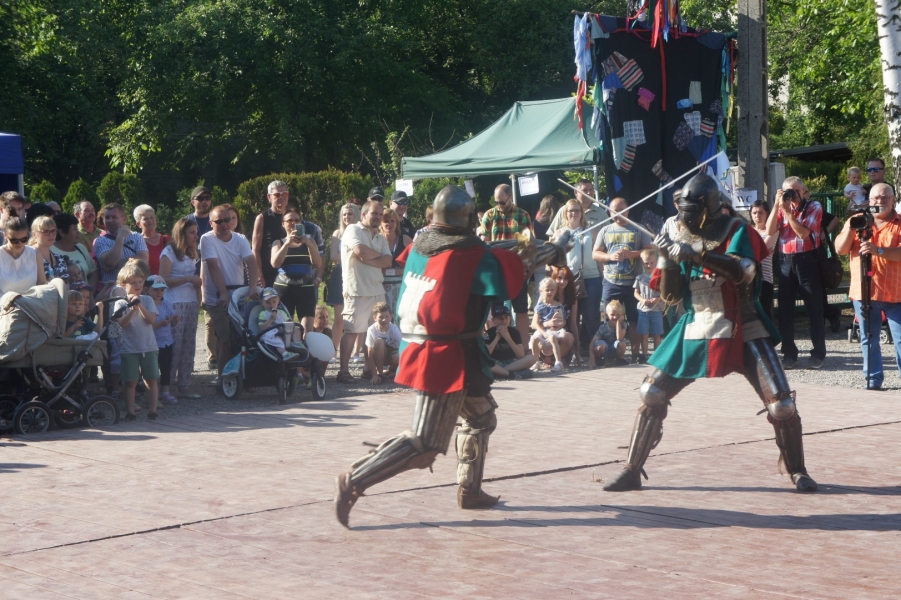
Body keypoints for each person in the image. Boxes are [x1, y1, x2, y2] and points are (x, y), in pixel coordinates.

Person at [335, 184, 565, 527]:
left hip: (447, 347)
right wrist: (554, 249)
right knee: (425, 442)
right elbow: (509, 269)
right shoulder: (465, 254)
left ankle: (469, 490)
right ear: (469, 218)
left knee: (481, 417)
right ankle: (354, 479)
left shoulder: (422, 246)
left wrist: (532, 245)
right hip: (444, 352)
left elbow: (488, 251)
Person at [602, 172, 817, 493]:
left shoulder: (737, 230)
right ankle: (631, 470)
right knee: (651, 393)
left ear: (708, 205)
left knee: (781, 404)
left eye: (691, 208)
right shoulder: (677, 232)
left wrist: (696, 254)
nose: (685, 215)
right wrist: (667, 260)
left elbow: (743, 272)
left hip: (743, 321)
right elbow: (670, 294)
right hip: (698, 320)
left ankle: (797, 470)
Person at [835, 182, 901, 390]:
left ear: (893, 200)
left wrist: (878, 250)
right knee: (868, 338)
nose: (879, 201)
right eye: (875, 198)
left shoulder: (899, 223)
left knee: (900, 339)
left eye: (884, 198)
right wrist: (850, 227)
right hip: (864, 292)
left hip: (896, 293)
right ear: (868, 200)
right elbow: (840, 250)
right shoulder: (857, 221)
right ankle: (872, 380)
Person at [764, 176, 826, 369]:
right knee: (785, 310)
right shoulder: (782, 207)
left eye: (796, 191)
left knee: (815, 309)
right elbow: (769, 230)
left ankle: (818, 354)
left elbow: (803, 233)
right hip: (785, 261)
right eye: (788, 191)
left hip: (808, 261)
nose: (793, 195)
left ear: (803, 190)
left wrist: (787, 212)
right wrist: (776, 206)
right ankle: (789, 353)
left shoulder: (814, 206)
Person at [201, 205, 261, 384]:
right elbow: (213, 267)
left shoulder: (240, 239)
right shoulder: (207, 239)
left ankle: (245, 376)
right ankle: (222, 379)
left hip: (237, 295)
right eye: (219, 221)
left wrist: (252, 286)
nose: (224, 224)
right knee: (225, 338)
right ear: (211, 223)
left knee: (243, 337)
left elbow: (251, 262)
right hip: (217, 298)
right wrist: (223, 293)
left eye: (227, 220)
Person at [335, 201, 392, 384]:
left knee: (374, 332)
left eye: (380, 214)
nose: (378, 217)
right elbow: (359, 250)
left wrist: (367, 258)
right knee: (352, 331)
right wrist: (375, 257)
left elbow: (388, 261)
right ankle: (343, 372)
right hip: (357, 290)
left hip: (377, 290)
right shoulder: (353, 229)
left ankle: (369, 370)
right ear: (364, 214)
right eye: (374, 213)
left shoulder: (380, 237)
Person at [592, 197, 654, 363]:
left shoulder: (639, 229)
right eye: (614, 211)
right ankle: (611, 355)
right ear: (609, 212)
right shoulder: (605, 230)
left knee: (634, 320)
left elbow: (649, 251)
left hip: (634, 282)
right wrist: (610, 256)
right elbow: (595, 253)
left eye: (621, 210)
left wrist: (631, 254)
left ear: (628, 210)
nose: (618, 214)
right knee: (610, 320)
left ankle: (635, 354)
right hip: (611, 282)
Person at [478, 183, 533, 345]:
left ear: (511, 198)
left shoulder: (522, 215)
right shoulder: (489, 215)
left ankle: (523, 347)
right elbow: (484, 243)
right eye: (496, 202)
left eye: (502, 202)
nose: (499, 205)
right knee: (496, 310)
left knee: (521, 309)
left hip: (517, 269)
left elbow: (528, 244)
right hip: (496, 270)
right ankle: (496, 347)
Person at [158, 217, 201, 398]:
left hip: (190, 303)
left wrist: (198, 296)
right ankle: (166, 386)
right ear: (181, 234)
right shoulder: (168, 252)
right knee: (174, 346)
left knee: (188, 346)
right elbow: (162, 280)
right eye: (191, 233)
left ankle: (184, 384)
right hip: (174, 303)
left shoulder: (192, 253)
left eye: (196, 233)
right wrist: (188, 279)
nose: (195, 236)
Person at [114, 262, 160, 422]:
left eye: (140, 281)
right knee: (130, 382)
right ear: (123, 285)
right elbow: (122, 324)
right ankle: (130, 412)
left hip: (149, 347)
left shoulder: (147, 300)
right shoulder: (120, 303)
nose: (138, 285)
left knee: (151, 379)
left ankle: (153, 410)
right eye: (133, 282)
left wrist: (140, 306)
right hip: (129, 349)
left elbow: (152, 320)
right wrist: (132, 309)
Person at [558, 198, 601, 355]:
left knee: (591, 316)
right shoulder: (559, 233)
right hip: (567, 280)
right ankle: (571, 351)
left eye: (577, 210)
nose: (574, 213)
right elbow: (553, 258)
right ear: (566, 213)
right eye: (571, 210)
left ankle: (595, 350)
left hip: (592, 276)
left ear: (582, 213)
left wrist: (603, 276)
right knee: (571, 317)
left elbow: (598, 254)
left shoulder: (591, 231)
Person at [271, 207, 323, 334]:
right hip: (284, 289)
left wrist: (309, 244)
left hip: (306, 288)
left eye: (297, 220)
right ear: (283, 224)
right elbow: (275, 263)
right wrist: (286, 244)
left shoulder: (310, 241)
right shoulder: (278, 243)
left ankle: (305, 347)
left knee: (307, 330)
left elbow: (317, 264)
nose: (293, 223)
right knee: (285, 329)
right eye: (289, 220)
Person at [93, 203, 149, 294]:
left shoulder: (137, 237)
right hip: (112, 293)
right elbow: (112, 261)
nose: (110, 220)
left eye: (114, 217)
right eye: (107, 217)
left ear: (124, 219)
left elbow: (143, 261)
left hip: (137, 291)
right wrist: (121, 237)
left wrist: (119, 264)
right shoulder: (100, 241)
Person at [326, 203, 360, 352]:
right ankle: (334, 351)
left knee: (358, 315)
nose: (347, 217)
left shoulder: (362, 232)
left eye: (350, 214)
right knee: (339, 317)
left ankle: (357, 352)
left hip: (358, 275)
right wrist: (354, 257)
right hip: (340, 274)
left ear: (356, 215)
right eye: (344, 214)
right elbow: (333, 256)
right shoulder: (337, 233)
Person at [144, 275, 180, 405]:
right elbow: (147, 327)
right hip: (153, 343)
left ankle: (165, 392)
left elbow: (172, 324)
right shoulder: (146, 306)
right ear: (147, 289)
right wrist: (160, 324)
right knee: (152, 369)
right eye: (156, 290)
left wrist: (175, 320)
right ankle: (152, 393)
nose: (159, 293)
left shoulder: (167, 304)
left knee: (166, 368)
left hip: (167, 342)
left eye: (162, 290)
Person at [530, 278, 575, 372]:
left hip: (554, 330)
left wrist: (557, 327)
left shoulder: (558, 306)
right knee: (534, 339)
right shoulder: (539, 307)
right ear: (541, 291)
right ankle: (536, 362)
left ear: (555, 291)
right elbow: (535, 323)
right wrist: (543, 332)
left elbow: (563, 321)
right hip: (542, 330)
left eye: (552, 290)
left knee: (552, 338)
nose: (550, 292)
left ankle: (558, 362)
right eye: (547, 290)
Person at [485, 304, 537, 379]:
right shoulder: (489, 333)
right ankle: (510, 374)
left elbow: (520, 355)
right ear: (493, 320)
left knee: (532, 358)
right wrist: (497, 337)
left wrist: (507, 337)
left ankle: (500, 372)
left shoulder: (514, 332)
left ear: (510, 319)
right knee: (483, 362)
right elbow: (486, 354)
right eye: (500, 318)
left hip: (511, 363)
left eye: (506, 318)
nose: (504, 321)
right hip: (495, 362)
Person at [380, 207, 413, 315]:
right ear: (381, 224)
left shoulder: (405, 239)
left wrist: (404, 270)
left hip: (401, 285)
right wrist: (398, 271)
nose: (389, 224)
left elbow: (416, 259)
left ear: (397, 223)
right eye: (386, 221)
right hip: (381, 286)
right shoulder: (377, 240)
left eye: (392, 221)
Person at [1, 216, 44, 296]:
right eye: (14, 240)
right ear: (5, 236)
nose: (19, 243)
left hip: (31, 301)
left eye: (24, 239)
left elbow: (42, 283)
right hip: (4, 302)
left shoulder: (36, 254)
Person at [633, 248, 663, 363]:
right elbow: (636, 293)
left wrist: (657, 299)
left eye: (651, 263)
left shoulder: (659, 277)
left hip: (657, 310)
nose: (649, 265)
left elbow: (664, 292)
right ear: (642, 263)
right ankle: (645, 355)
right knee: (644, 334)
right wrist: (642, 300)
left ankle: (657, 356)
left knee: (657, 334)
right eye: (646, 263)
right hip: (643, 310)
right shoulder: (639, 278)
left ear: (656, 262)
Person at [53, 213, 98, 290]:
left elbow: (94, 273)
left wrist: (89, 292)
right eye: (74, 229)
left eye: (77, 228)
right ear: (62, 233)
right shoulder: (51, 251)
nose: (78, 232)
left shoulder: (81, 248)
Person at [257, 287, 303, 360]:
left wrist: (290, 326)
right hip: (273, 334)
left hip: (284, 332)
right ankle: (285, 354)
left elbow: (289, 322)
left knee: (296, 329)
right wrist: (271, 318)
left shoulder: (281, 312)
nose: (271, 305)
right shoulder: (263, 313)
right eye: (268, 302)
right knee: (278, 339)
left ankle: (297, 344)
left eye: (274, 302)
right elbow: (262, 327)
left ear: (278, 301)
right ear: (262, 303)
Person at [749, 200, 777, 320]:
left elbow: (763, 249)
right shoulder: (748, 230)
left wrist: (751, 251)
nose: (757, 216)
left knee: (765, 312)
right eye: (754, 213)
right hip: (748, 277)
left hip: (765, 278)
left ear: (767, 214)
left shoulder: (772, 230)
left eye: (761, 212)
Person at [363, 301, 402, 384]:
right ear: (375, 317)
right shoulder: (371, 330)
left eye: (387, 316)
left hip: (392, 356)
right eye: (381, 317)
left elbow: (402, 348)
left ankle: (392, 370)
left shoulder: (394, 329)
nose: (384, 319)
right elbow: (369, 353)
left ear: (391, 317)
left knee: (398, 356)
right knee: (378, 342)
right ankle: (380, 373)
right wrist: (374, 375)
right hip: (377, 355)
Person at [588, 300, 628, 368]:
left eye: (618, 315)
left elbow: (619, 338)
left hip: (615, 348)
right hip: (605, 348)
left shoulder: (623, 325)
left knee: (622, 344)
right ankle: (598, 359)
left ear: (622, 315)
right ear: (607, 315)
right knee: (600, 346)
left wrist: (618, 323)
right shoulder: (603, 327)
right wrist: (592, 358)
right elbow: (592, 343)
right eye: (612, 314)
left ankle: (619, 359)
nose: (615, 317)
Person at [29, 216, 69, 282]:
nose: (51, 235)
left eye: (53, 231)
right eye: (46, 231)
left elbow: (67, 283)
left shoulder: (59, 258)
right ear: (34, 234)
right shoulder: (28, 256)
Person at [134, 205, 168, 275]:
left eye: (152, 217)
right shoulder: (136, 242)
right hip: (146, 280)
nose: (150, 221)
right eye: (146, 219)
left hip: (166, 280)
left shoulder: (167, 239)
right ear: (138, 224)